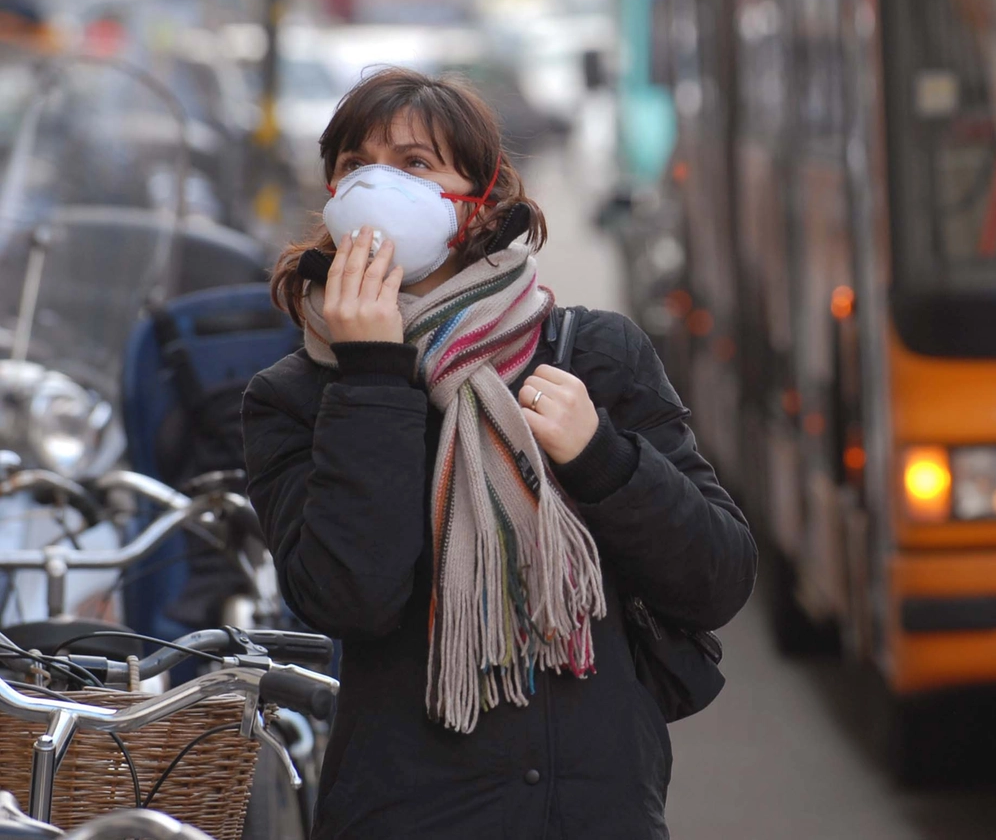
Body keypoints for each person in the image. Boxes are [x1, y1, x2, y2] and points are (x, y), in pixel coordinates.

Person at [241, 67, 756, 839]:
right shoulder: (297, 395)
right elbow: (353, 596)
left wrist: (603, 458)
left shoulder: (593, 353)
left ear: (480, 199)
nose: (379, 186)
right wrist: (373, 375)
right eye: (355, 167)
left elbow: (718, 577)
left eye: (414, 163)